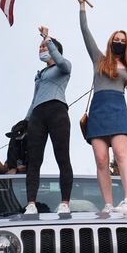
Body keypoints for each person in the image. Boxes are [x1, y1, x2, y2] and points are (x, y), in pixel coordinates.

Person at [76, 0, 127, 214]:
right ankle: (108, 204)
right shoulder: (99, 59)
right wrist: (82, 7)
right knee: (101, 160)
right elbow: (85, 32)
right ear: (110, 42)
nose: (118, 42)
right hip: (98, 112)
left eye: (122, 41)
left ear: (126, 45)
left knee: (121, 155)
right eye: (116, 40)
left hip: (118, 111)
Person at [23, 27, 73, 215]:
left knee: (62, 157)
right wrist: (25, 121)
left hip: (57, 111)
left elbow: (60, 61)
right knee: (34, 160)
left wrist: (47, 38)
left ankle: (65, 202)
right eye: (40, 47)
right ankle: (31, 203)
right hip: (38, 115)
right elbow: (34, 99)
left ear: (54, 49)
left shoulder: (64, 66)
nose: (41, 49)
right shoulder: (40, 75)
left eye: (44, 47)